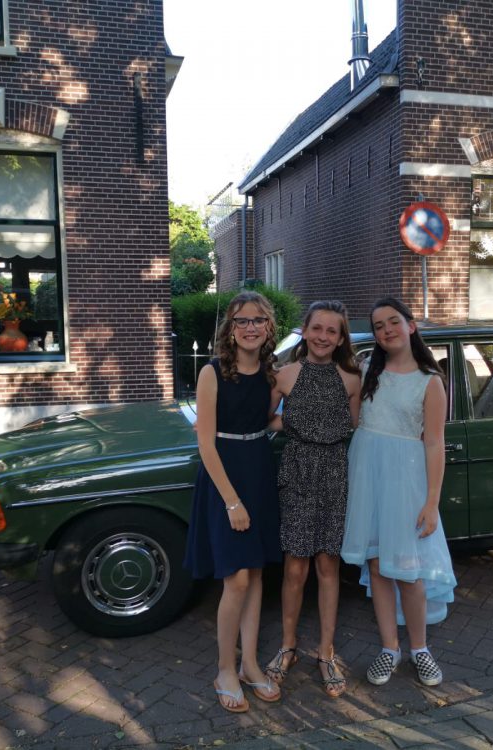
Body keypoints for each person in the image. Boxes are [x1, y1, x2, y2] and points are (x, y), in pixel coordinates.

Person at [341, 297, 457, 688]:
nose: (386, 330)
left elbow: (434, 444)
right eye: (378, 326)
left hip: (405, 483)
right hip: (368, 479)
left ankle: (420, 649)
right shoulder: (367, 371)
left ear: (410, 325)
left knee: (408, 571)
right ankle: (389, 648)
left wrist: (431, 502)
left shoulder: (430, 381)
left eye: (393, 321)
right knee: (377, 566)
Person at [184, 291, 283, 713]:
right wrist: (231, 502)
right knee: (237, 579)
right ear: (230, 328)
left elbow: (266, 420)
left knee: (255, 574)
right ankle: (225, 668)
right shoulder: (212, 372)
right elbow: (205, 444)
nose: (250, 327)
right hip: (225, 477)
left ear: (268, 326)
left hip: (259, 470)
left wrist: (295, 419)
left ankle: (250, 664)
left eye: (258, 320)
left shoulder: (271, 374)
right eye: (242, 320)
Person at [263, 301, 362, 698]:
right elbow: (263, 418)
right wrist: (294, 423)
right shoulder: (285, 374)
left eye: (331, 331)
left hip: (334, 474)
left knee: (327, 564)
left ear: (340, 338)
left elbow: (354, 424)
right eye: (317, 328)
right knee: (295, 566)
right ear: (305, 331)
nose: (323, 336)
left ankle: (326, 652)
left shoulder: (351, 378)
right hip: (298, 472)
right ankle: (288, 647)